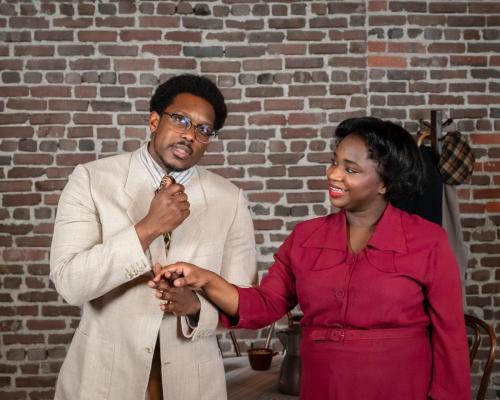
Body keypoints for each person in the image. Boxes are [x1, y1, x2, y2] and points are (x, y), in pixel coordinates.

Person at [151, 117, 471, 400]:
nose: (333, 174)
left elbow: (450, 335)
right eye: (335, 162)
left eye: (351, 169)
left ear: (385, 183)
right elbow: (265, 305)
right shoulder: (306, 237)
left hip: (401, 386)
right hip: (323, 385)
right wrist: (206, 279)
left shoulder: (428, 240)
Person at [50, 74, 256, 400]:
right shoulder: (91, 180)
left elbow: (244, 301)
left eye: (203, 130)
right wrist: (147, 228)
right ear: (154, 119)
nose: (190, 134)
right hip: (101, 382)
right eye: (181, 120)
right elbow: (70, 284)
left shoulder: (230, 199)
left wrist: (195, 308)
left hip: (195, 385)